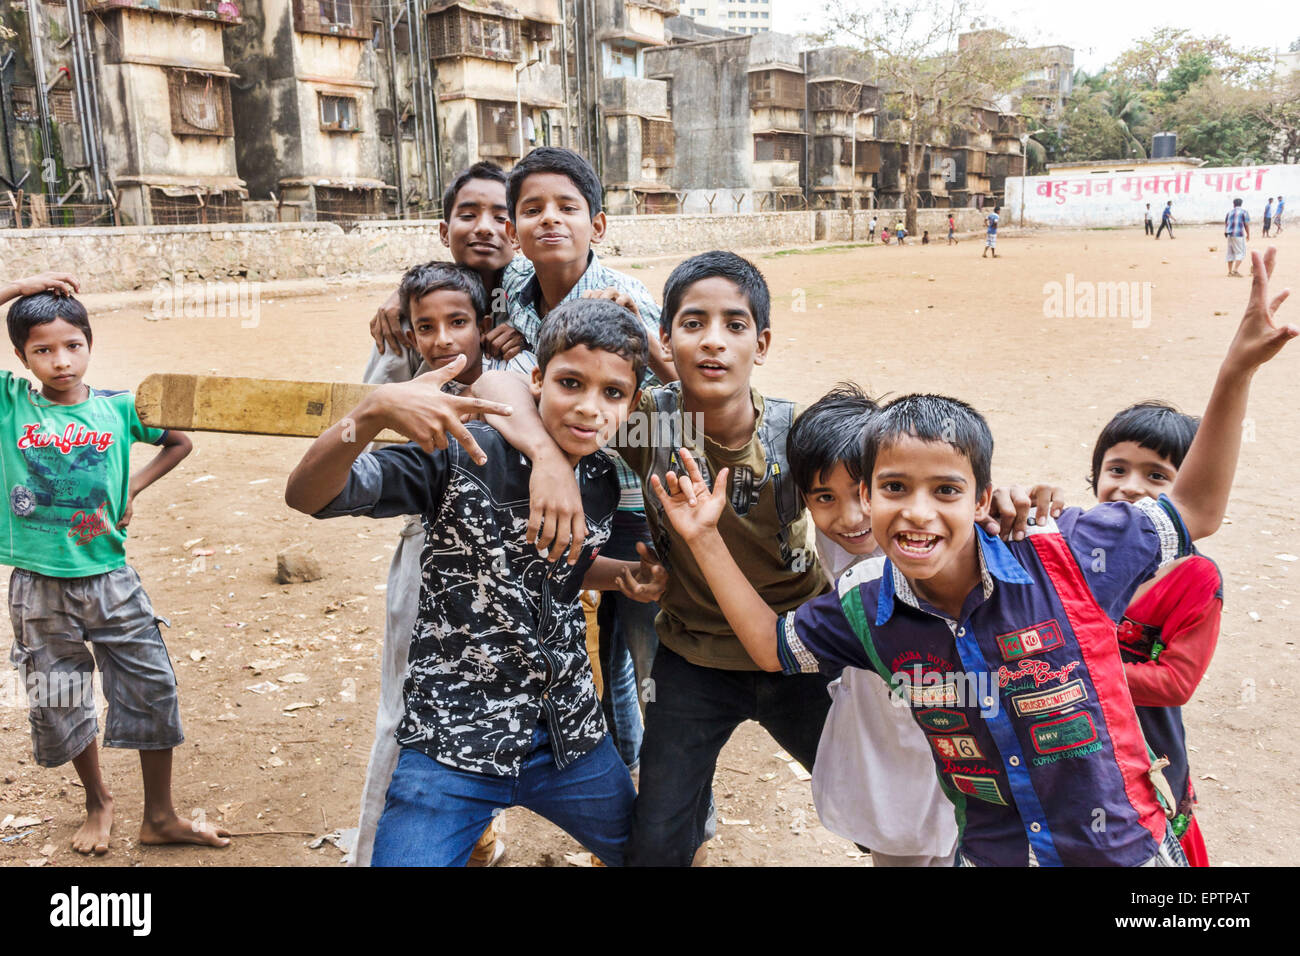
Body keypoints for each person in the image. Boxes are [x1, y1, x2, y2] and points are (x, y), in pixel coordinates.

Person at [648, 247, 1295, 865]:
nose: (918, 512)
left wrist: (1236, 369)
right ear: (866, 498)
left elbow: (1197, 511)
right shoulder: (865, 602)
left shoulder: (1066, 555)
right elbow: (769, 645)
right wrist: (704, 537)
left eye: (946, 490)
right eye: (894, 488)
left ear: (983, 495)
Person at [474, 252, 835, 867]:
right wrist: (551, 461)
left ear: (763, 341)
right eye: (693, 324)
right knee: (659, 840)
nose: (713, 342)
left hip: (797, 656)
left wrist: (1008, 505)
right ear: (664, 337)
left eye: (735, 325)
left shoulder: (796, 435)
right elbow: (496, 382)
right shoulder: (648, 420)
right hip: (692, 662)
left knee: (879, 801)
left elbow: (894, 486)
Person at [285, 298, 666, 866]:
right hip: (452, 738)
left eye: (612, 393)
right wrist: (369, 415)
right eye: (570, 383)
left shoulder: (605, 478)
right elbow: (308, 496)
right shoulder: (461, 453)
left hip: (565, 735)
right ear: (537, 381)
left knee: (655, 855)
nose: (589, 408)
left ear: (631, 403)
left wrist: (623, 575)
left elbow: (560, 567)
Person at [2, 277, 230, 856]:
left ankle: (160, 816)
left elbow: (178, 442)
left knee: (152, 688)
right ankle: (97, 799)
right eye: (43, 350)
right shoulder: (13, 405)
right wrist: (21, 288)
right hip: (38, 586)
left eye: (73, 345)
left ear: (90, 343)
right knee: (63, 696)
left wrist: (134, 489)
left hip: (111, 580)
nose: (61, 361)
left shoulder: (120, 406)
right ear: (20, 356)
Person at [350, 258, 536, 868]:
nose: (442, 339)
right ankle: (373, 851)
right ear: (407, 332)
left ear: (484, 324)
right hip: (427, 560)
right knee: (404, 705)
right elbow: (352, 428)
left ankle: (474, 834)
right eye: (424, 327)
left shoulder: (518, 374)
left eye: (458, 322)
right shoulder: (408, 382)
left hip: (512, 567)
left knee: (503, 700)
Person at [498, 146, 673, 777]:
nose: (550, 220)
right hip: (559, 508)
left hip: (633, 507)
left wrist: (649, 347)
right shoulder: (511, 295)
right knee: (599, 668)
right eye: (532, 209)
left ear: (597, 224)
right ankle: (625, 804)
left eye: (568, 207)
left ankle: (684, 824)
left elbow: (673, 392)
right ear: (512, 228)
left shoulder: (628, 298)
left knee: (653, 668)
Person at [787, 385, 959, 866]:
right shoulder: (842, 542)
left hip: (946, 726)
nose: (850, 516)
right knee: (899, 845)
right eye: (824, 496)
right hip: (880, 731)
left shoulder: (923, 544)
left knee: (948, 840)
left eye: (864, 491)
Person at [1090, 401, 1222, 867]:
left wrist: (1080, 668)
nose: (1130, 487)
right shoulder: (1075, 554)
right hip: (1072, 747)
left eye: (1157, 476)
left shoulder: (1194, 577)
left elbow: (1175, 682)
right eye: (1117, 468)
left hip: (1147, 755)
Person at [366, 161, 527, 369]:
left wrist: (531, 336)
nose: (484, 228)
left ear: (515, 233)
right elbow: (381, 396)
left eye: (500, 218)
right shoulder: (406, 318)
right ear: (444, 233)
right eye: (468, 216)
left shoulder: (535, 301)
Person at [1225, 198, 1250, 277]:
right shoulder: (1244, 212)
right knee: (1241, 252)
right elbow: (1246, 224)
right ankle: (1235, 270)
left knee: (1230, 252)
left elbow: (1226, 223)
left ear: (1234, 204)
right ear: (1241, 204)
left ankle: (1229, 272)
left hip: (1229, 234)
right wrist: (1248, 234)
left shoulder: (1229, 212)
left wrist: (1225, 232)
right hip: (1238, 234)